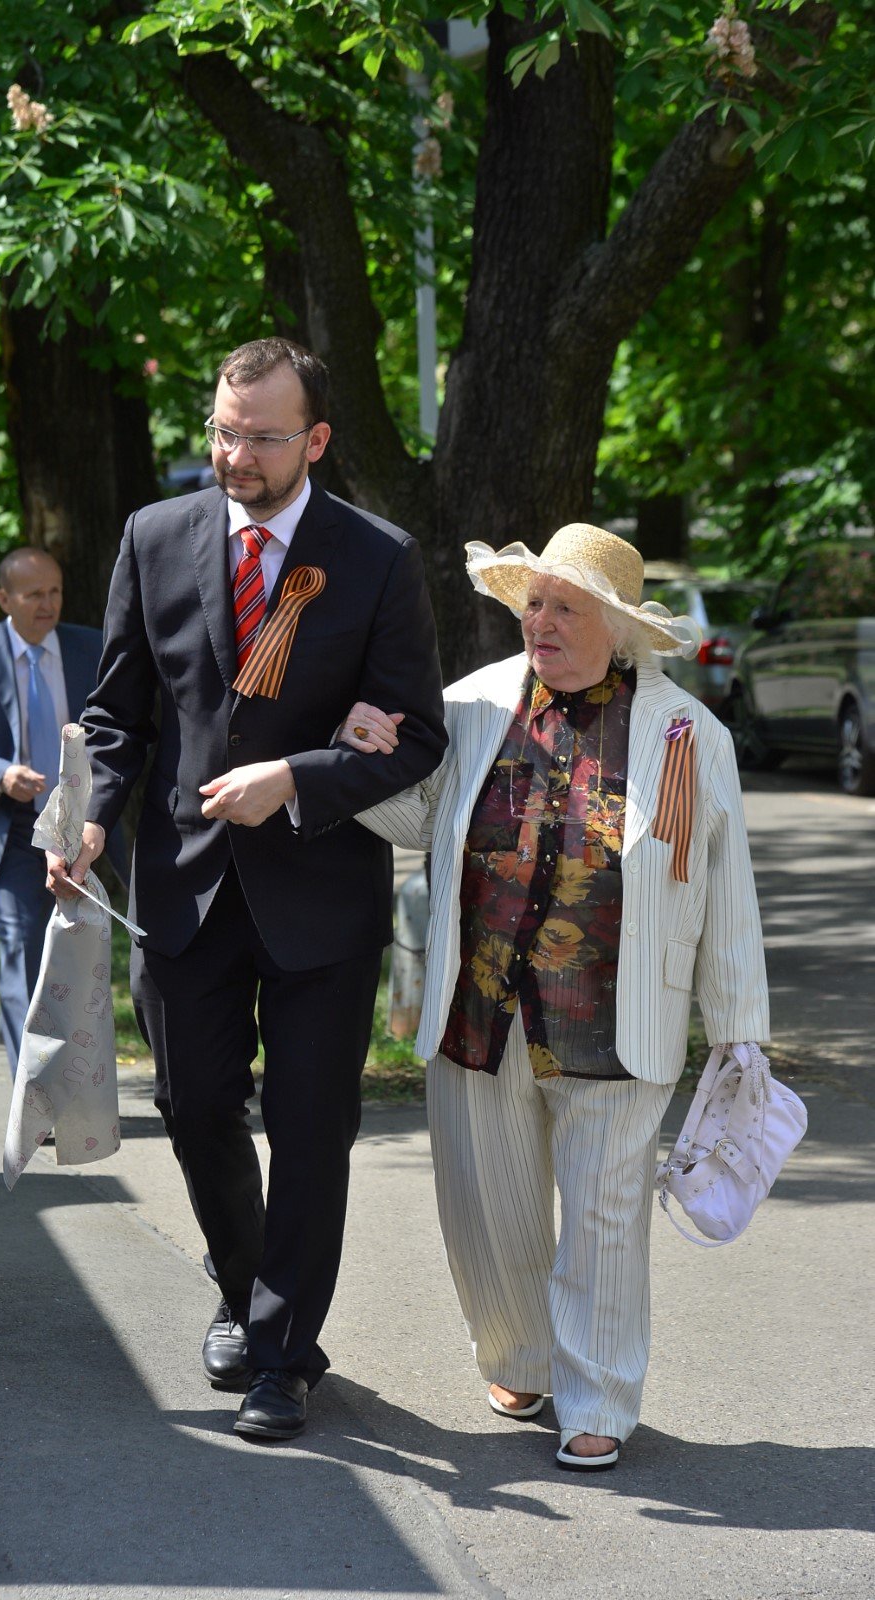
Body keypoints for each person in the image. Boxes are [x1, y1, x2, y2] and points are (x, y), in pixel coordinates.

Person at [48, 337, 446, 1441]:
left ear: (314, 439)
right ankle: (242, 1289)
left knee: (310, 1128)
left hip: (321, 897)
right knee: (193, 1110)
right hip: (182, 884)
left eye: (262, 436)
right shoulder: (154, 536)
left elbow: (414, 736)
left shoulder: (375, 556)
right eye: (223, 430)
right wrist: (86, 816)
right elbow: (121, 712)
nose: (235, 454)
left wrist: (298, 778)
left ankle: (282, 1354)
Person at [343, 523, 769, 1471]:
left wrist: (740, 1032)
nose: (539, 620)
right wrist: (362, 756)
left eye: (563, 606)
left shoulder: (686, 735)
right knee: (489, 1208)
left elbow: (724, 885)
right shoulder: (470, 705)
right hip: (481, 1006)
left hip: (618, 1012)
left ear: (614, 628)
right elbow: (418, 820)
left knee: (604, 1220)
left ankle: (600, 1398)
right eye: (531, 603)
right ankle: (518, 1354)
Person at [0, 548, 111, 1079]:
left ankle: (76, 1077)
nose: (47, 603)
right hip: (8, 830)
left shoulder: (91, 647)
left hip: (79, 831)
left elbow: (114, 733)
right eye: (34, 594)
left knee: (77, 962)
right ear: (4, 599)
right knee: (23, 949)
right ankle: (32, 1088)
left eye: (54, 591)